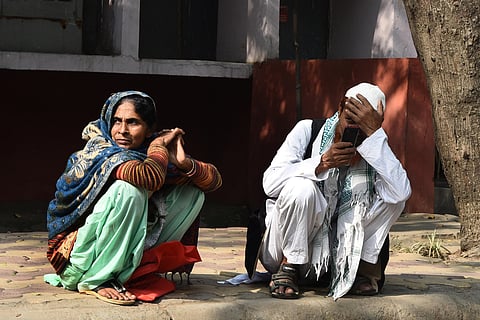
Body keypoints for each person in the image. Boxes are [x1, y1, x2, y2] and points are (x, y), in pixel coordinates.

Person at [43, 90, 222, 305]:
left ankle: (132, 269)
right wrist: (159, 146)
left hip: (125, 253)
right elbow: (148, 177)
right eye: (117, 121)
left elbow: (213, 182)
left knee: (192, 193)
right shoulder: (101, 152)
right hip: (78, 260)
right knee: (129, 190)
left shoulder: (152, 155)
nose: (122, 130)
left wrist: (184, 163)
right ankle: (99, 279)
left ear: (149, 130)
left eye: (133, 122)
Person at [260, 82, 411, 300]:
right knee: (301, 187)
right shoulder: (307, 130)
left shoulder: (376, 147)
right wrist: (321, 163)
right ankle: (289, 267)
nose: (355, 132)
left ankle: (361, 270)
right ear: (339, 111)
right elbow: (270, 183)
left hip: (340, 257)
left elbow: (401, 192)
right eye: (350, 121)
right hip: (286, 246)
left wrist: (375, 138)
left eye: (364, 127)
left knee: (395, 197)